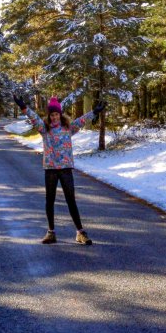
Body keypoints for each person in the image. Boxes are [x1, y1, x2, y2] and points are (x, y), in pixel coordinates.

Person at [14, 93, 106, 245]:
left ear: (60, 114)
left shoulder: (68, 128)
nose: (54, 117)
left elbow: (81, 120)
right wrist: (23, 106)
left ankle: (80, 233)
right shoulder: (44, 129)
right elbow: (34, 117)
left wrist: (95, 112)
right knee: (49, 200)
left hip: (65, 169)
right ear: (49, 116)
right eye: (52, 115)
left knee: (71, 200)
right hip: (51, 169)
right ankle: (51, 233)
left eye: (56, 114)